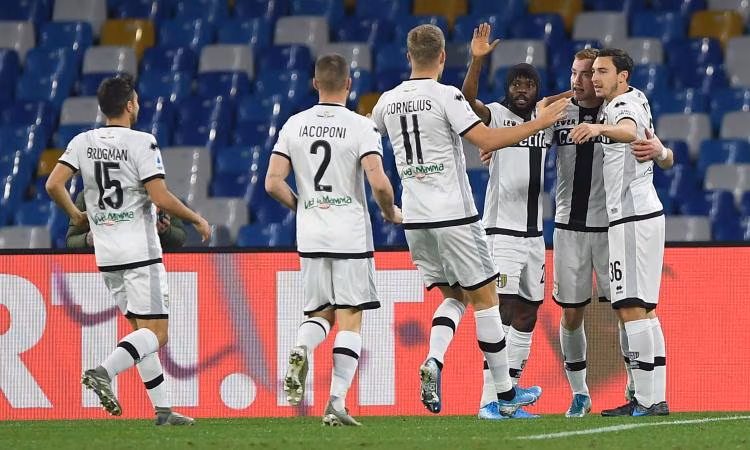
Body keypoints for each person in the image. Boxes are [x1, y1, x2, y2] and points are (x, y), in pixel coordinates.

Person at [371, 24, 568, 418]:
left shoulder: (385, 102)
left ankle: (434, 358)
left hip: (416, 219)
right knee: (487, 301)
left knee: (454, 297)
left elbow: (368, 147)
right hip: (454, 216)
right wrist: (540, 123)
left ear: (408, 57)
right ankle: (503, 396)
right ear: (443, 57)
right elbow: (488, 140)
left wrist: (386, 206)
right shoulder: (446, 96)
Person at [45, 74, 211, 425]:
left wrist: (76, 215)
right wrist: (196, 218)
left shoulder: (82, 142)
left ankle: (163, 411)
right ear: (130, 105)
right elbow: (160, 196)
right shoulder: (142, 142)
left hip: (107, 256)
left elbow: (53, 184)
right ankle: (103, 372)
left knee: (141, 332)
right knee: (157, 335)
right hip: (140, 253)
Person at [265, 54, 401, 426]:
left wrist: (304, 207)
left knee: (320, 313)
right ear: (349, 84)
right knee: (350, 318)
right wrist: (390, 212)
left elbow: (272, 182)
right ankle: (337, 402)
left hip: (311, 235)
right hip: (350, 234)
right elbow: (378, 182)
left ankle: (302, 346)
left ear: (315, 84)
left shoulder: (294, 124)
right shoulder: (360, 126)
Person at [462, 24, 557, 419]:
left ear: (536, 90)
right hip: (501, 232)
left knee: (528, 313)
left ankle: (510, 396)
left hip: (535, 235)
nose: (522, 89)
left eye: (528, 84)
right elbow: (467, 100)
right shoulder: (497, 115)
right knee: (500, 312)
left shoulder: (544, 117)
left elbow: (574, 96)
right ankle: (490, 399)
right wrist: (477, 61)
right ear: (507, 88)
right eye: (516, 84)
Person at [570, 48, 671, 417]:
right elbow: (660, 153)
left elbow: (628, 131)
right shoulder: (636, 96)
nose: (595, 78)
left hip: (631, 217)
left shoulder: (620, 106)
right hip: (643, 214)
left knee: (630, 307)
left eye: (603, 71)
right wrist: (663, 152)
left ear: (622, 76)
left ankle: (646, 400)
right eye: (593, 71)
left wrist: (598, 128)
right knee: (645, 310)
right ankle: (653, 398)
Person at [66, 191, 186, 248]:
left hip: (146, 263)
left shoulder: (156, 191)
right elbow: (70, 242)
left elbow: (180, 238)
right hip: (103, 267)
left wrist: (164, 232)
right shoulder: (88, 196)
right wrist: (87, 240)